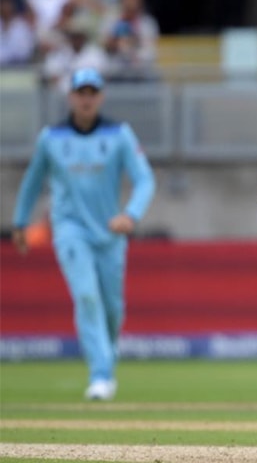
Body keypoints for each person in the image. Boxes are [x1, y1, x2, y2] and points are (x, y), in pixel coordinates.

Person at [11, 67, 156, 401]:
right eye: (81, 93)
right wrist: (20, 222)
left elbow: (145, 179)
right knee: (86, 296)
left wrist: (130, 216)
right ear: (71, 97)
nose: (87, 99)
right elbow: (33, 182)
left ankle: (106, 354)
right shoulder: (52, 138)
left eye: (93, 92)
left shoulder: (119, 134)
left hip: (109, 232)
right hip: (69, 229)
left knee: (112, 308)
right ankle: (101, 374)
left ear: (100, 96)